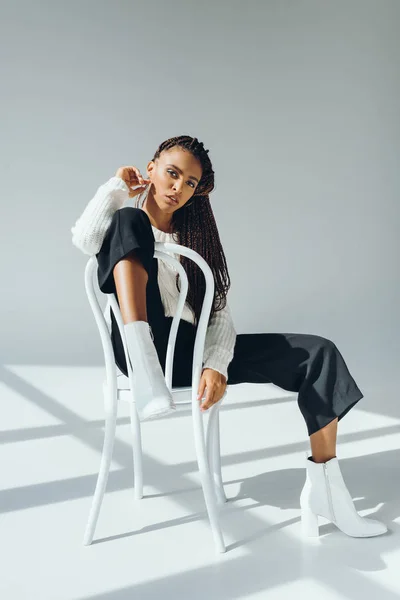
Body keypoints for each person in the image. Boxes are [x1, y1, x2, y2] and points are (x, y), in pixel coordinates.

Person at [71, 134, 387, 539]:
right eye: (171, 173)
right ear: (150, 170)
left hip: (191, 350)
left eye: (189, 183)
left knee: (318, 353)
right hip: (141, 351)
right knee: (130, 221)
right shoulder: (124, 223)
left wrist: (216, 365)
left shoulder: (195, 242)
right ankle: (147, 369)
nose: (177, 187)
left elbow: (218, 315)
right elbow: (84, 239)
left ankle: (327, 490)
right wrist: (116, 188)